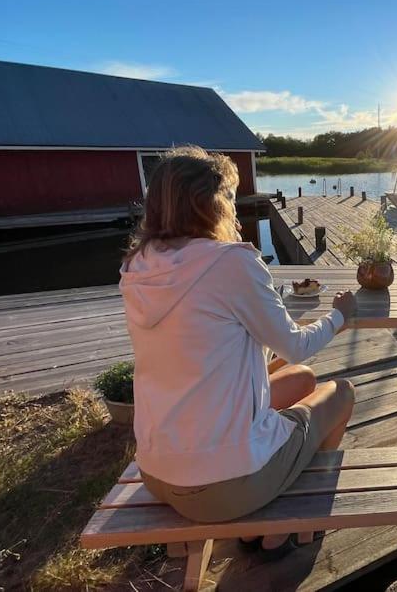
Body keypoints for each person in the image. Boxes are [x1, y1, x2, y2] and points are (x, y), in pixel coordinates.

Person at [119, 146, 356, 558]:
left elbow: (213, 348)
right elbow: (297, 345)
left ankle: (269, 499)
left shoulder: (139, 266)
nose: (232, 205)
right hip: (224, 485)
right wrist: (339, 317)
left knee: (302, 380)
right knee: (342, 393)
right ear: (208, 203)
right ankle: (295, 524)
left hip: (157, 471)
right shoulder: (231, 262)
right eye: (228, 195)